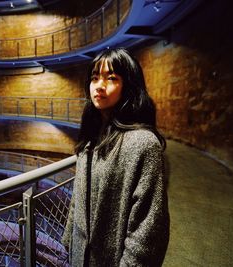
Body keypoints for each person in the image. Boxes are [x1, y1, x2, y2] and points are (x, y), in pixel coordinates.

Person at [61, 48, 169, 266]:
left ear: (128, 85)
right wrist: (68, 244)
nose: (99, 86)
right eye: (94, 78)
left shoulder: (142, 144)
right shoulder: (90, 140)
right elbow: (78, 201)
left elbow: (148, 226)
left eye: (111, 78)